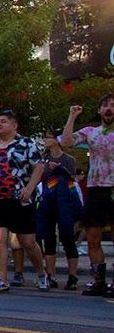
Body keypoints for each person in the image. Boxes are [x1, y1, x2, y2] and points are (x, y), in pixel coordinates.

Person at [0, 110, 49, 294]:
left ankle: (41, 274)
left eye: (3, 121)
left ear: (14, 125)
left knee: (27, 242)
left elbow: (39, 167)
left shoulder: (26, 144)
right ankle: (2, 279)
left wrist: (29, 188)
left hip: (19, 200)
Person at [61, 96, 114, 296]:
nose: (109, 109)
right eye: (105, 106)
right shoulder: (91, 132)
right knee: (92, 238)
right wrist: (72, 116)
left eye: (113, 106)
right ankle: (99, 281)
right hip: (95, 189)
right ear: (99, 111)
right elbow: (66, 141)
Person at [35, 129, 81, 290]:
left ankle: (72, 276)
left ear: (56, 140)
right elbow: (39, 178)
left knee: (68, 238)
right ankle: (51, 275)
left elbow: (72, 181)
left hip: (65, 202)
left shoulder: (69, 159)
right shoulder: (43, 159)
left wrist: (60, 169)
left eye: (48, 137)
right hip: (47, 202)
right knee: (49, 239)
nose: (45, 140)